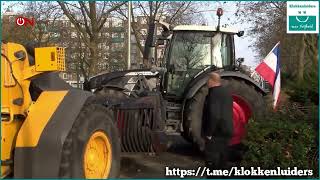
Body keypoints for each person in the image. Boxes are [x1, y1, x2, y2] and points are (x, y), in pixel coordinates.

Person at [203, 72, 233, 174]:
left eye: (207, 80)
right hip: (227, 131)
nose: (207, 83)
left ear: (211, 81)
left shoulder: (213, 93)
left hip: (216, 133)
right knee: (223, 160)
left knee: (212, 162)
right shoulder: (227, 92)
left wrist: (209, 133)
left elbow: (214, 115)